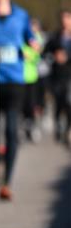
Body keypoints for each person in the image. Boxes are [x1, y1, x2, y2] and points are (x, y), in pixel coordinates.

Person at [0, 0, 39, 200]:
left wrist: (33, 46)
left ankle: (7, 182)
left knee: (12, 129)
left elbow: (32, 40)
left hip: (15, 79)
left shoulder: (22, 15)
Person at [44, 8, 71, 146]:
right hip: (56, 77)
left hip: (69, 77)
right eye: (63, 19)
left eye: (67, 18)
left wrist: (67, 57)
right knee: (59, 105)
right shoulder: (54, 38)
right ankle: (59, 128)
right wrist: (54, 57)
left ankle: (68, 130)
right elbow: (44, 54)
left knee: (69, 103)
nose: (65, 22)